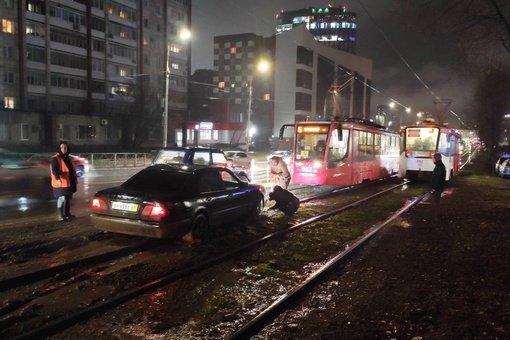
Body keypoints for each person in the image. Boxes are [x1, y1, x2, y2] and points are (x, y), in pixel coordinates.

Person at [51, 141, 78, 221]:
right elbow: (54, 170)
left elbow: (70, 169)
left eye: (65, 147)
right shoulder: (55, 158)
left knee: (68, 198)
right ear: (59, 149)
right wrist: (58, 179)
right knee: (62, 198)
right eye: (62, 147)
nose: (63, 149)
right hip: (62, 183)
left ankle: (67, 214)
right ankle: (60, 215)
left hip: (69, 182)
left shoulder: (67, 157)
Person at [430, 152, 446, 221]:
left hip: (437, 188)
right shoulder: (440, 166)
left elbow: (437, 179)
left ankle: (437, 216)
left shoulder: (439, 167)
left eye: (433, 158)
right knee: (437, 202)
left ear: (436, 159)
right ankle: (438, 215)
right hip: (439, 187)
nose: (432, 159)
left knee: (436, 202)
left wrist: (434, 188)